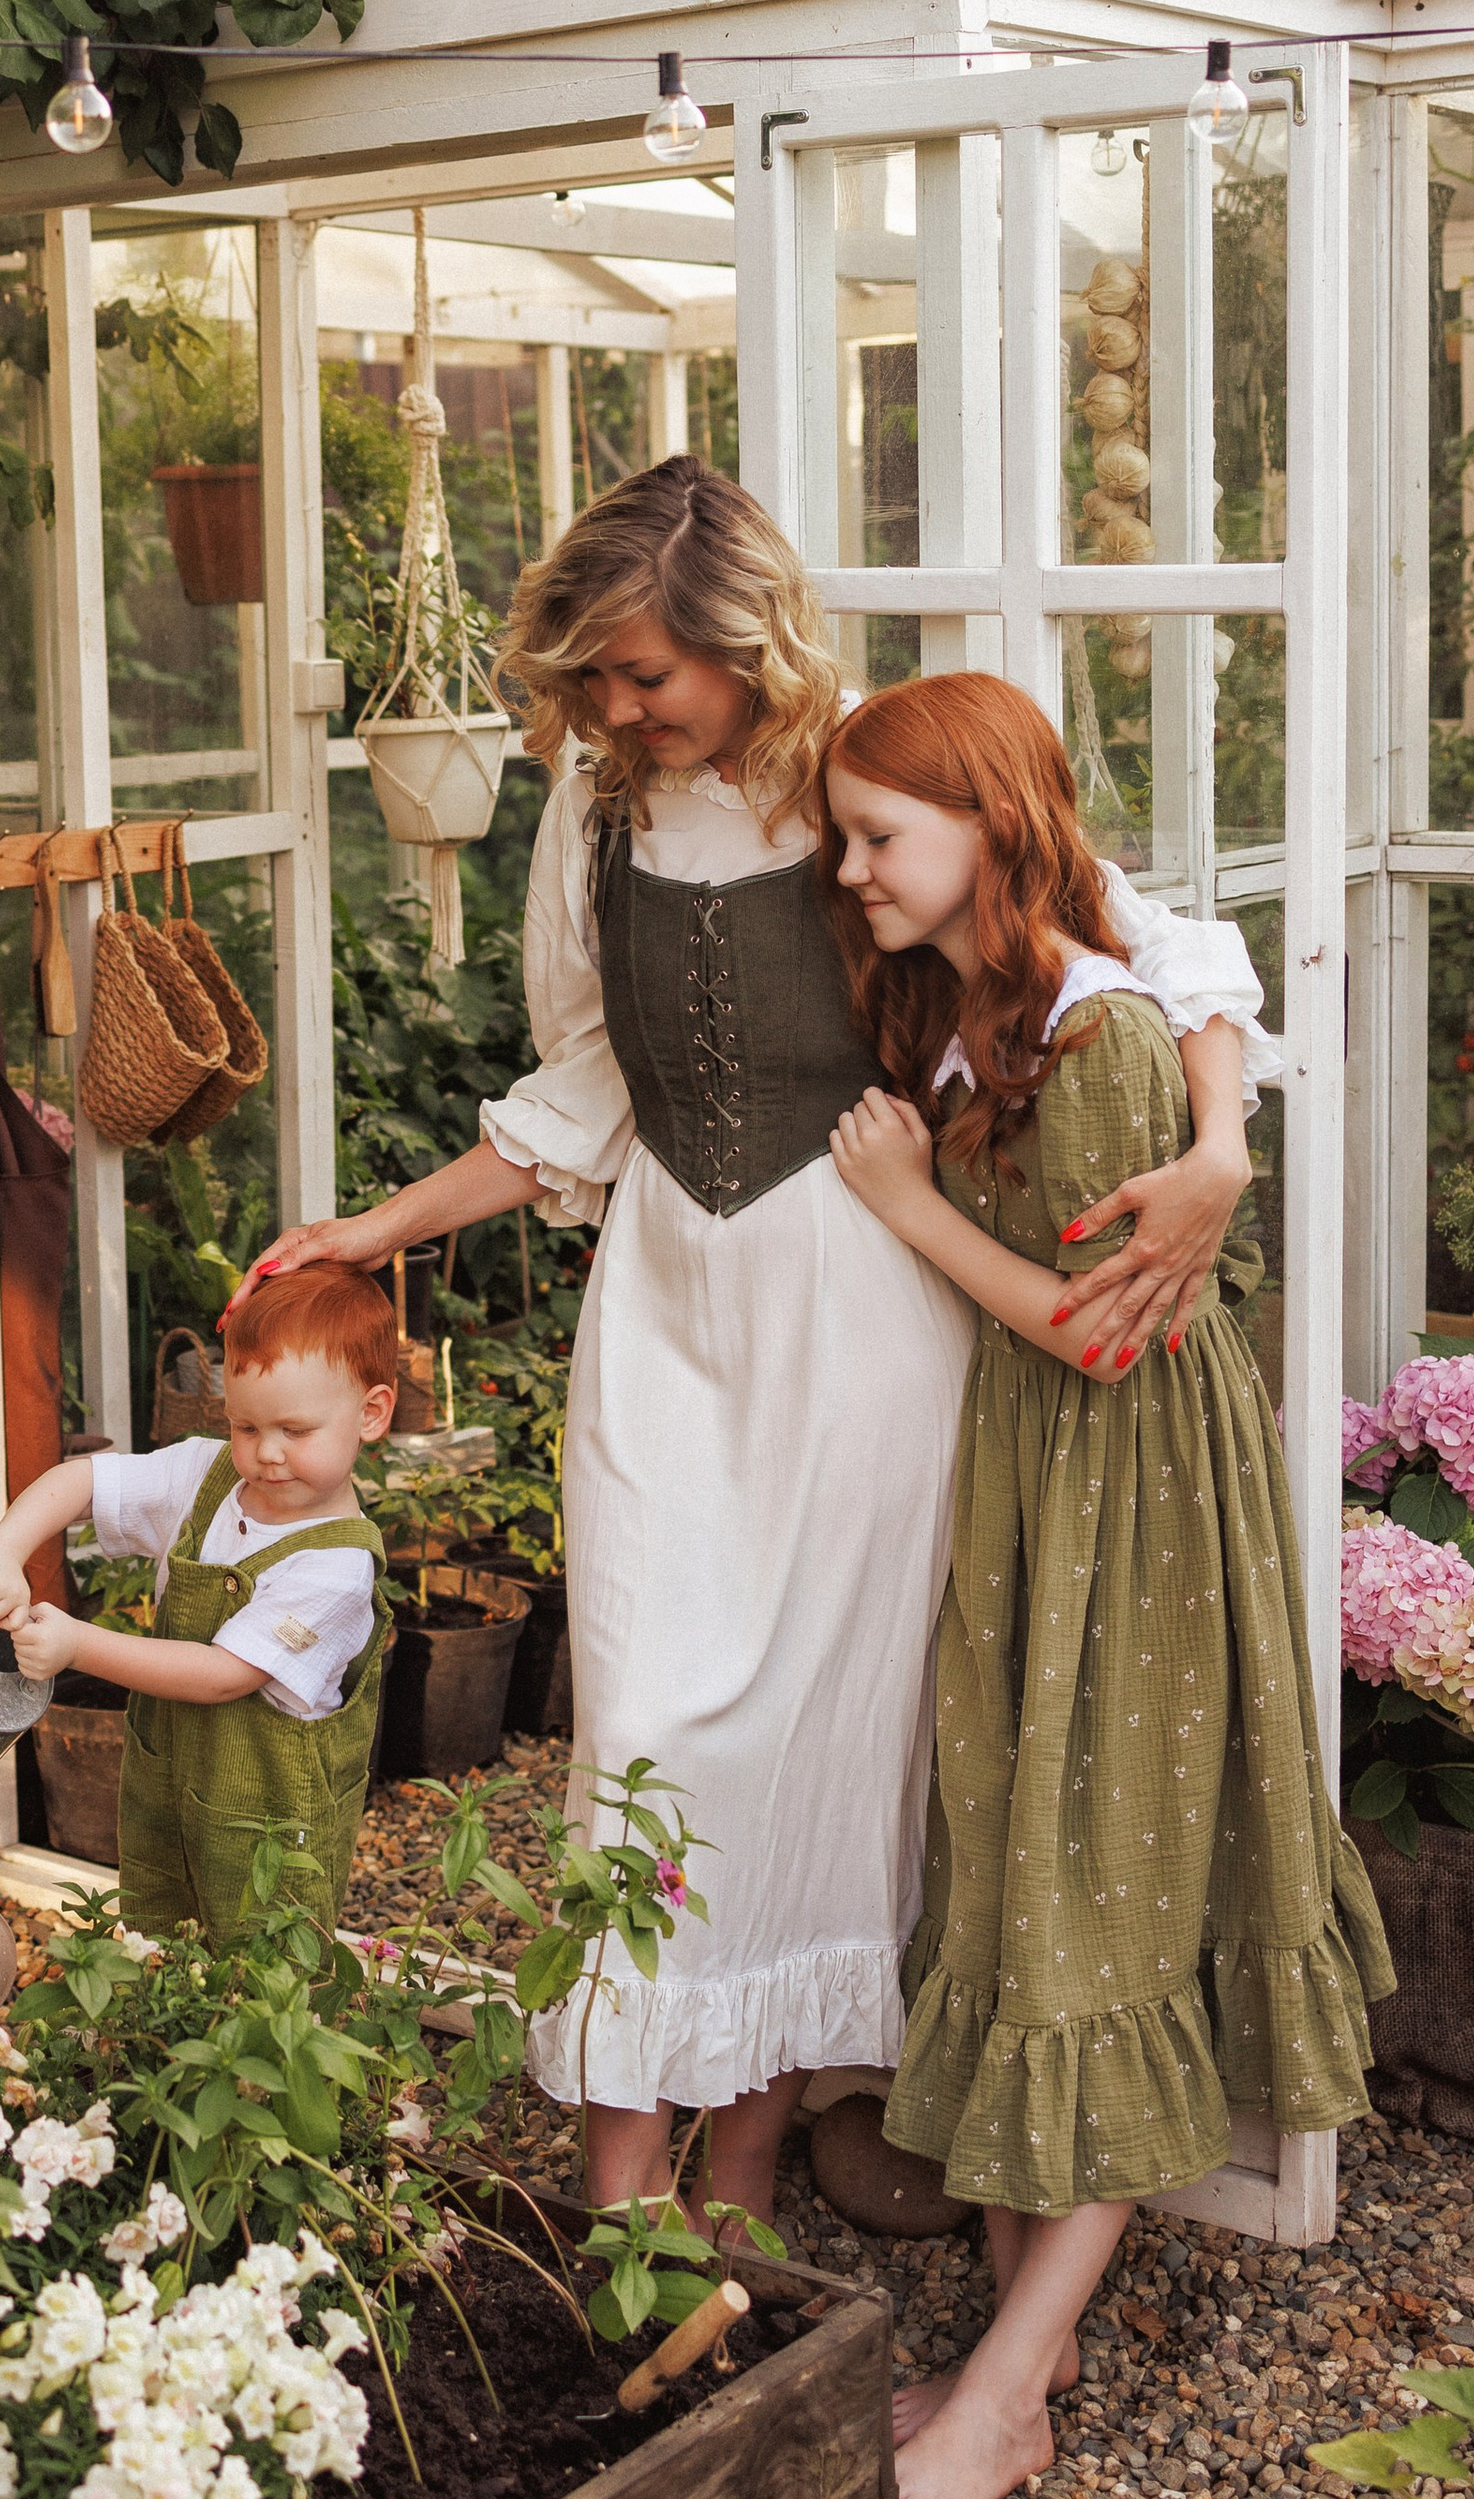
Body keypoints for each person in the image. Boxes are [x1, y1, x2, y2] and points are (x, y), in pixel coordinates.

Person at [242, 456, 1278, 2235]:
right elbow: (582, 1088)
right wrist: (374, 1226)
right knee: (645, 1729)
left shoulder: (876, 766)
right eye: (591, 675)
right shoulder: (596, 808)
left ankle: (738, 2197)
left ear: (747, 639)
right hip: (665, 1305)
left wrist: (1218, 1145)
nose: (615, 705)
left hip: (867, 1306)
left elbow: (1150, 944)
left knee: (815, 1740)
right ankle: (619, 2204)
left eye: (645, 672)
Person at [821, 671, 1391, 2499]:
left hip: (1125, 1502)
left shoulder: (1110, 1041)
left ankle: (1001, 2397)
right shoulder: (1017, 997)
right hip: (1054, 1491)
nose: (851, 868)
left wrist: (910, 1203)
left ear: (989, 824)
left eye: (877, 835)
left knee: (1090, 1901)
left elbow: (1097, 1335)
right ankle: (1022, 2345)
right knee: (1022, 1875)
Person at [0, 1261, 397, 1947]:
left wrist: (79, 1646)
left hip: (270, 1819)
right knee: (159, 1936)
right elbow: (83, 1481)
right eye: (245, 1427)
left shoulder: (336, 1567)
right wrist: (3, 1551)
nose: (267, 1453)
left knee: (268, 1967)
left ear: (370, 1414)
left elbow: (224, 1675)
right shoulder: (208, 1475)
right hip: (168, 1784)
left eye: (295, 1429)